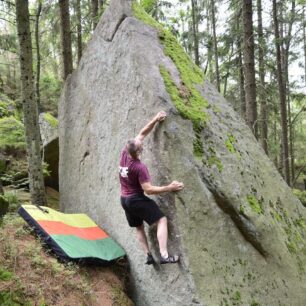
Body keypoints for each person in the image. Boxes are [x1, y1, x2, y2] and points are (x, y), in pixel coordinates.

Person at [119, 111, 184, 265]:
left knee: (139, 227)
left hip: (124, 199)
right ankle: (164, 255)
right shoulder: (139, 167)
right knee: (162, 219)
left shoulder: (125, 152)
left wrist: (155, 119)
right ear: (138, 152)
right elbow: (148, 190)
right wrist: (169, 187)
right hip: (135, 199)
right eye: (141, 148)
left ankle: (148, 255)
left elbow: (142, 134)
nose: (142, 144)